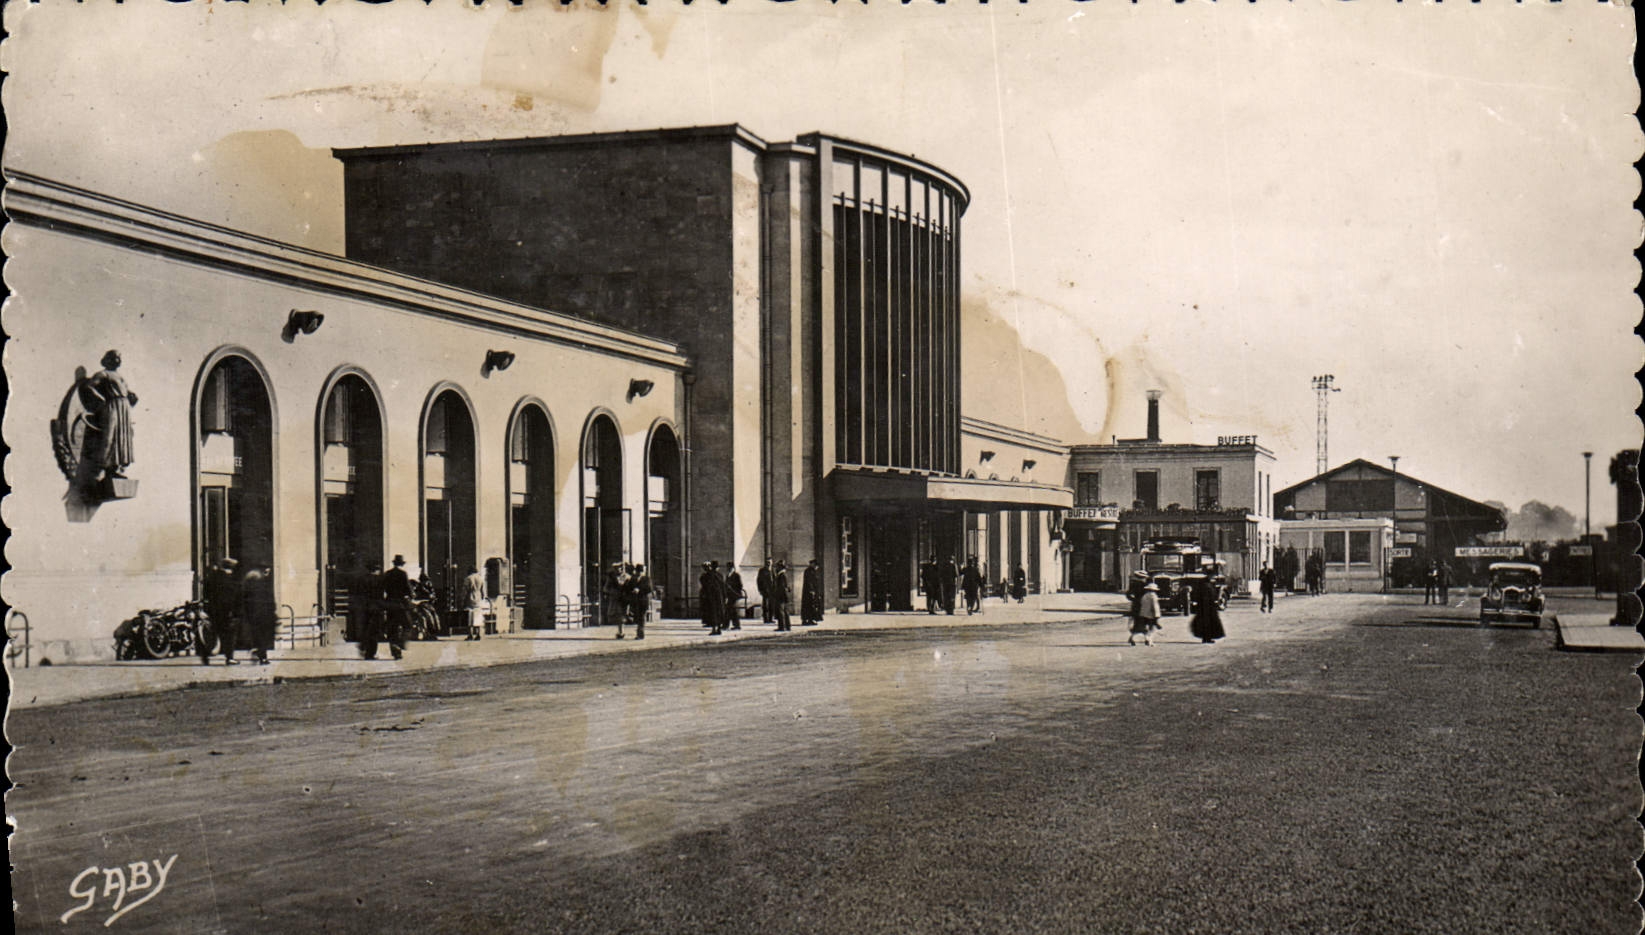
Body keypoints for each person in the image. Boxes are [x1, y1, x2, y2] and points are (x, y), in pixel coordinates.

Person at [86, 349, 138, 480]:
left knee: (122, 437)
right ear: (108, 359)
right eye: (115, 357)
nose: (117, 360)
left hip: (124, 408)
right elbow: (90, 387)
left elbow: (125, 391)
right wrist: (100, 398)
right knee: (110, 435)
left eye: (119, 358)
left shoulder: (120, 377)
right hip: (112, 406)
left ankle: (115, 468)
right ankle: (103, 467)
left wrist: (131, 396)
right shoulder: (103, 374)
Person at [200, 557, 240, 665]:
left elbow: (206, 594)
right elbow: (230, 597)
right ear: (230, 568)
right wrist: (233, 611)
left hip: (213, 611)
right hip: (226, 611)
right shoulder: (228, 579)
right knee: (229, 635)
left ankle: (205, 655)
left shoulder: (212, 577)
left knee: (213, 633)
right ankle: (229, 658)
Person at [240, 565, 277, 665]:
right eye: (266, 572)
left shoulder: (249, 587)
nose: (267, 574)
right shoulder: (263, 585)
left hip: (254, 615)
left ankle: (258, 652)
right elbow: (270, 600)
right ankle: (262, 656)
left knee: (258, 635)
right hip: (263, 615)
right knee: (263, 636)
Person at [381, 555, 412, 660]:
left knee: (392, 628)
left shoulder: (387, 574)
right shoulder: (403, 574)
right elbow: (408, 589)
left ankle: (396, 652)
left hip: (390, 603)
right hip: (400, 604)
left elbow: (383, 588)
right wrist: (411, 596)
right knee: (408, 625)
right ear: (402, 564)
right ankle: (400, 643)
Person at [352, 559, 384, 659]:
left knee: (366, 628)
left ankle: (363, 645)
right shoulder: (379, 580)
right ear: (377, 570)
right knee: (374, 631)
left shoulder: (362, 579)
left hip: (364, 607)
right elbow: (381, 594)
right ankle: (371, 653)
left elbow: (357, 593)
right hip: (376, 607)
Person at [1189, 573, 1226, 644]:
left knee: (1207, 623)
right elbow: (1204, 596)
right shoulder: (1205, 584)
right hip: (1206, 607)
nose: (1213, 578)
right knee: (1207, 623)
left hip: (1207, 607)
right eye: (1212, 576)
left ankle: (1206, 638)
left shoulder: (1207, 583)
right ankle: (1207, 638)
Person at [1131, 581, 1162, 646]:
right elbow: (1155, 606)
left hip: (1143, 614)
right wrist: (1157, 616)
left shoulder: (1144, 596)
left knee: (1141, 628)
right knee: (1152, 629)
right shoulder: (1153, 596)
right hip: (1151, 615)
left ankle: (1133, 638)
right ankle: (1149, 640)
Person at [627, 564, 652, 640]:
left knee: (642, 617)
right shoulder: (633, 579)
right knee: (637, 617)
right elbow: (628, 587)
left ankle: (640, 634)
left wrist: (639, 590)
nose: (640, 573)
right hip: (635, 601)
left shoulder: (646, 579)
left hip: (643, 600)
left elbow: (649, 589)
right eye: (638, 571)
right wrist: (632, 590)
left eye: (641, 571)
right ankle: (639, 632)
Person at [699, 562, 725, 636]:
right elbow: (723, 587)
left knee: (713, 613)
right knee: (718, 613)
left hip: (711, 597)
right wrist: (724, 596)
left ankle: (714, 629)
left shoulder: (707, 576)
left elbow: (705, 586)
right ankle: (718, 628)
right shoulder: (719, 575)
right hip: (719, 597)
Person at [462, 565, 487, 641]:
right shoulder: (480, 578)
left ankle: (470, 634)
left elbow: (464, 591)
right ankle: (478, 634)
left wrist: (462, 599)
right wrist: (482, 598)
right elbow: (483, 591)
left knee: (469, 617)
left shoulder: (468, 578)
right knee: (478, 617)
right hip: (478, 599)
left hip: (469, 599)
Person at [603, 563, 627, 630]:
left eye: (620, 568)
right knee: (615, 615)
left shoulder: (625, 576)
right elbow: (605, 588)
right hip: (614, 599)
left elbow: (629, 586)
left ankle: (621, 630)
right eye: (617, 568)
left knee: (622, 614)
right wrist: (611, 592)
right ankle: (620, 630)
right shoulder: (611, 577)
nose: (619, 569)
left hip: (623, 599)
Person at [771, 560, 793, 631]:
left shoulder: (781, 575)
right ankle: (787, 626)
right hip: (785, 596)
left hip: (781, 596)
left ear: (780, 567)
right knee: (785, 611)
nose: (776, 568)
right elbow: (788, 587)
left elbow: (781, 587)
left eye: (777, 567)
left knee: (781, 611)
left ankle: (782, 626)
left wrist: (777, 594)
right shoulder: (785, 575)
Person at [801, 558, 824, 626]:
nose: (816, 567)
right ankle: (808, 620)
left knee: (810, 606)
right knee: (809, 606)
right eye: (815, 565)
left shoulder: (812, 571)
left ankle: (809, 619)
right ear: (812, 564)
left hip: (811, 592)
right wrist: (811, 590)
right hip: (809, 592)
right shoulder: (809, 571)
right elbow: (809, 582)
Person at [723, 561, 745, 631]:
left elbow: (740, 585)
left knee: (730, 610)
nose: (728, 569)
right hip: (730, 595)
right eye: (728, 567)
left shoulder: (736, 575)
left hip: (735, 595)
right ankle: (732, 625)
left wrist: (732, 587)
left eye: (729, 567)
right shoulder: (728, 575)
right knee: (730, 610)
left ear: (733, 568)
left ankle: (728, 625)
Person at [756, 557, 775, 625]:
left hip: (772, 591)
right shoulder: (762, 571)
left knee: (772, 605)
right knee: (765, 605)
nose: (768, 564)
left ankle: (771, 618)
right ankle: (766, 619)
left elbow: (775, 579)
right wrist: (760, 590)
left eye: (770, 562)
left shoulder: (773, 570)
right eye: (767, 562)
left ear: (772, 563)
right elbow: (759, 581)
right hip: (765, 591)